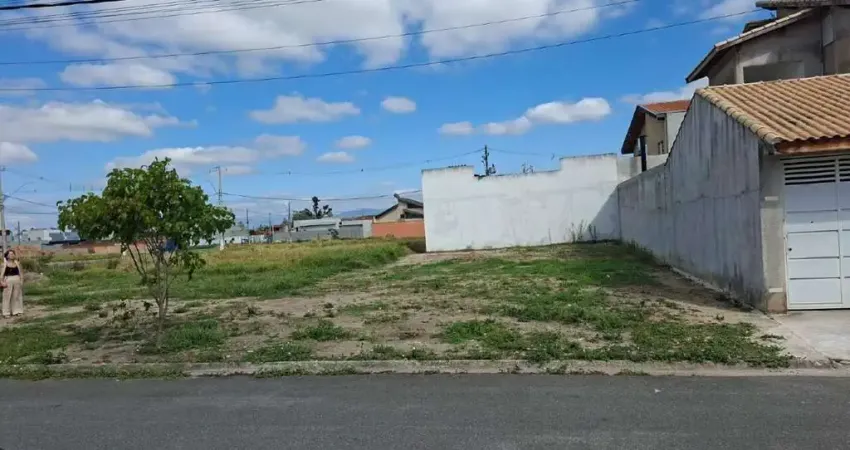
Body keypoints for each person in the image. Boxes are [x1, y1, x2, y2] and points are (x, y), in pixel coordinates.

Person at [1, 249, 24, 318]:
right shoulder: (4, 264)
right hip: (8, 280)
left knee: (17, 296)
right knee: (7, 297)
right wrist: (2, 282)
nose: (12, 255)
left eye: (13, 254)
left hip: (17, 279)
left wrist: (21, 281)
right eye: (10, 254)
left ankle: (17, 311)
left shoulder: (17, 263)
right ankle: (6, 312)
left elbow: (21, 273)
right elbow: (1, 275)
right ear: (7, 256)